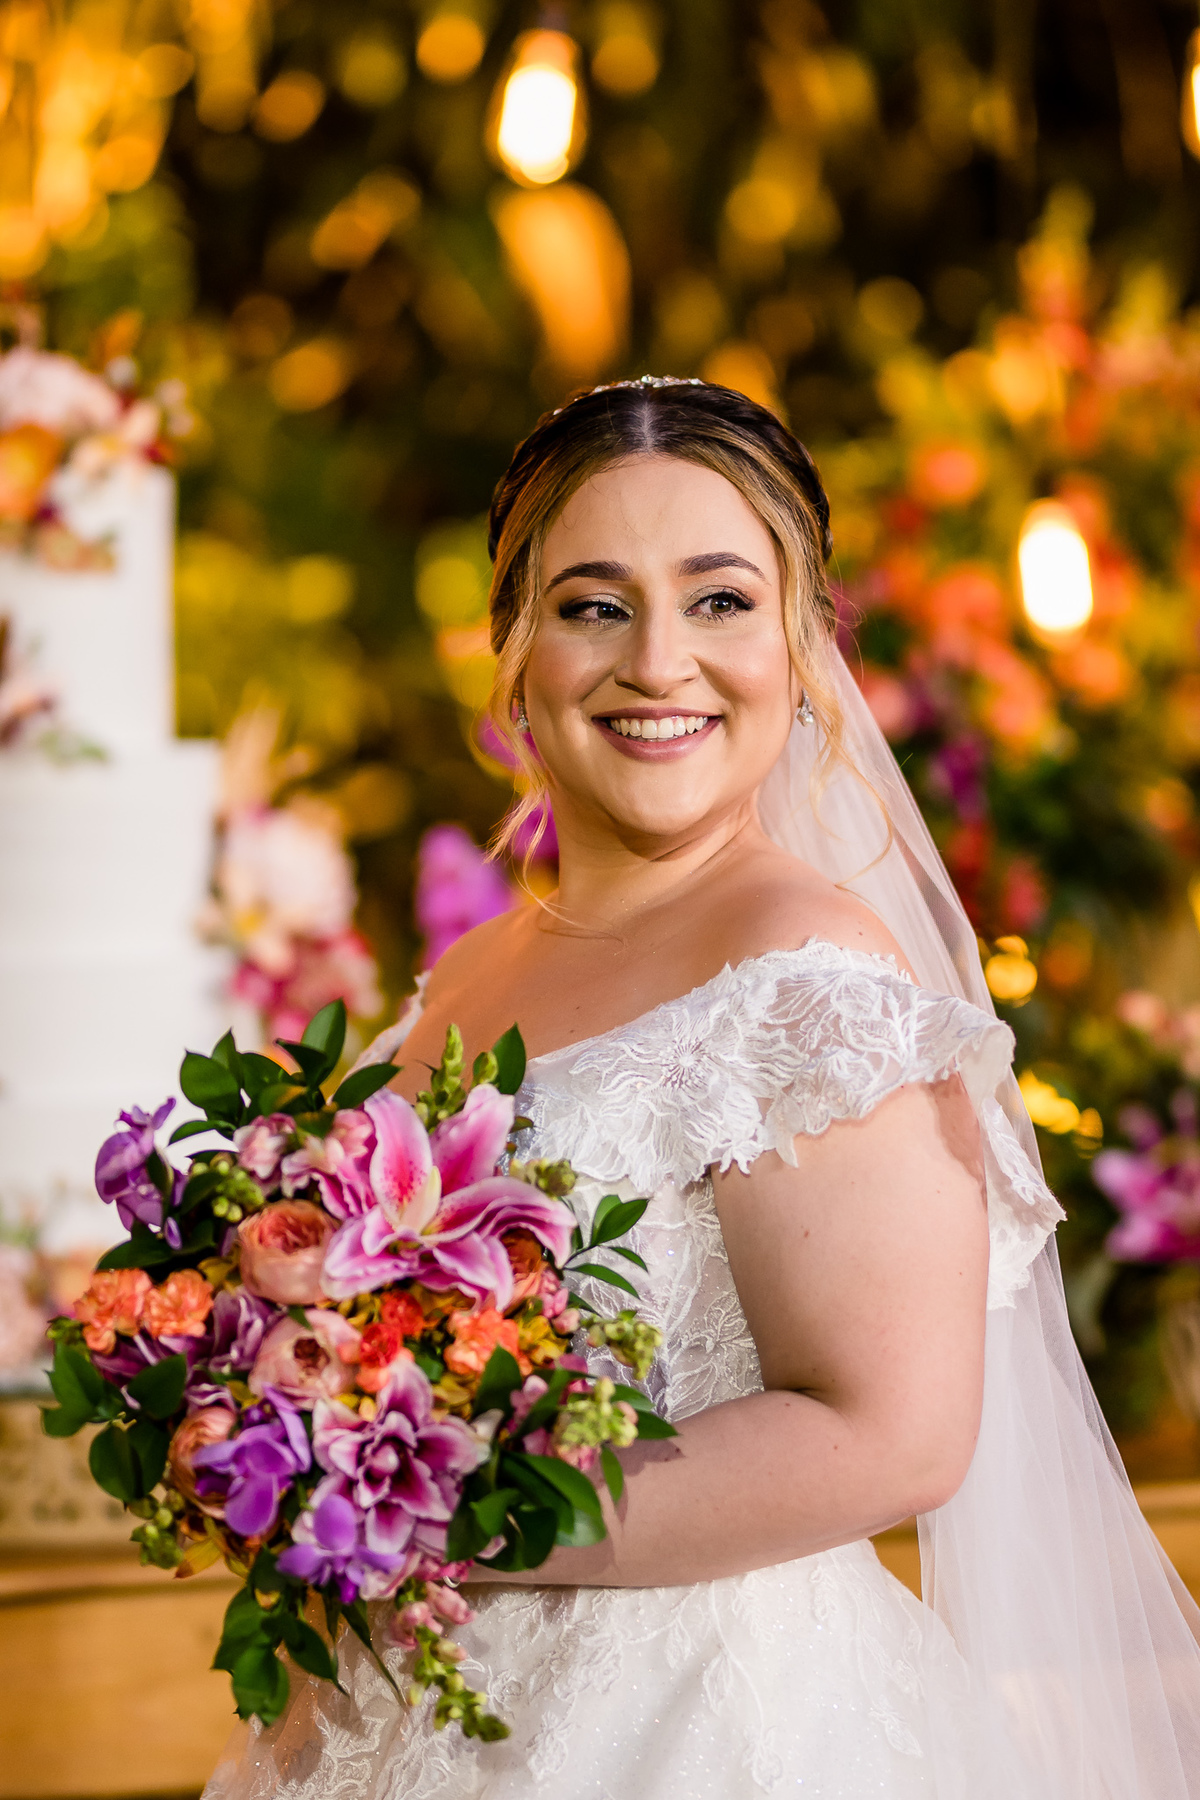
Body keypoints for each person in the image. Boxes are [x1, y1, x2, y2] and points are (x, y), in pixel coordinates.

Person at [205, 378, 1200, 1800]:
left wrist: (441, 1515)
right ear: (514, 652)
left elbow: (891, 1432)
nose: (658, 662)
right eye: (594, 605)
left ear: (800, 650)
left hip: (713, 1732)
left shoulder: (808, 970)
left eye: (722, 601)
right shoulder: (459, 984)